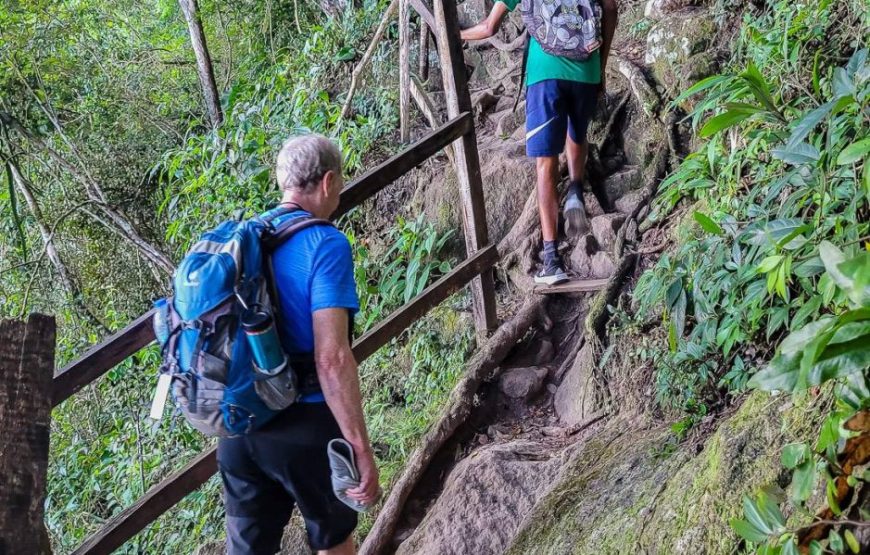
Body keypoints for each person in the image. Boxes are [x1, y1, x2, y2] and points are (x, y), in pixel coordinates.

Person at [217, 135, 379, 555]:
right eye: (340, 183)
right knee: (334, 541)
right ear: (327, 182)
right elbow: (332, 358)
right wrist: (359, 447)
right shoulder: (326, 244)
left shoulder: (248, 238)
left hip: (239, 426)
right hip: (302, 425)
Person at [461, 0, 618, 285]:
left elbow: (488, 27)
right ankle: (574, 189)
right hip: (587, 69)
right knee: (576, 132)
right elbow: (610, 9)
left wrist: (456, 36)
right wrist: (601, 67)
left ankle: (552, 260)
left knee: (545, 163)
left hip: (545, 72)